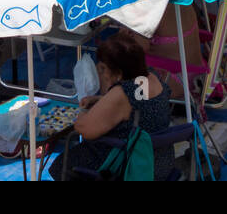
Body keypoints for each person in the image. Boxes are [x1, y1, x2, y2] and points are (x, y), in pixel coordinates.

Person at [50, 31, 172, 181]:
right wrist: (101, 99)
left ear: (118, 73)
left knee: (62, 164)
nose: (103, 74)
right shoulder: (150, 78)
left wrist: (83, 111)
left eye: (104, 69)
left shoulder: (122, 93)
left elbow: (85, 129)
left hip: (129, 165)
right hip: (158, 161)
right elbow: (139, 103)